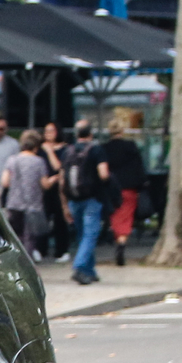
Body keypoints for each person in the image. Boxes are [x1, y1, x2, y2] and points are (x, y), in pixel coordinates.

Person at [95, 118, 148, 268]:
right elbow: (139, 167)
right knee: (127, 215)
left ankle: (118, 239)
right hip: (129, 188)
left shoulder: (104, 148)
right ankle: (122, 241)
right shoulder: (131, 146)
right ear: (122, 131)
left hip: (111, 189)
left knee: (115, 216)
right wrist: (142, 184)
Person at [66, 121, 111, 284]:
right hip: (92, 198)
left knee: (82, 235)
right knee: (91, 235)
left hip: (73, 198)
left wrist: (64, 203)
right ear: (90, 134)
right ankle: (79, 267)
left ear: (76, 134)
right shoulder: (96, 150)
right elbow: (104, 174)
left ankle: (89, 270)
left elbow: (61, 178)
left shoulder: (68, 150)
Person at [0, 129, 54, 259]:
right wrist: (55, 178)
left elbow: (5, 182)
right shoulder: (39, 161)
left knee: (16, 237)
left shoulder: (12, 160)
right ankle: (27, 263)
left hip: (14, 204)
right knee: (30, 239)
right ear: (36, 146)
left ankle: (14, 262)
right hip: (33, 206)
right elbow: (45, 184)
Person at [38, 120, 72, 257]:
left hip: (60, 187)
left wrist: (50, 151)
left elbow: (59, 167)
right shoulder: (40, 149)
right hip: (44, 187)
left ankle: (61, 250)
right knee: (43, 218)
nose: (48, 134)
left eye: (51, 131)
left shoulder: (65, 149)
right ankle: (41, 249)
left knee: (60, 219)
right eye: (46, 131)